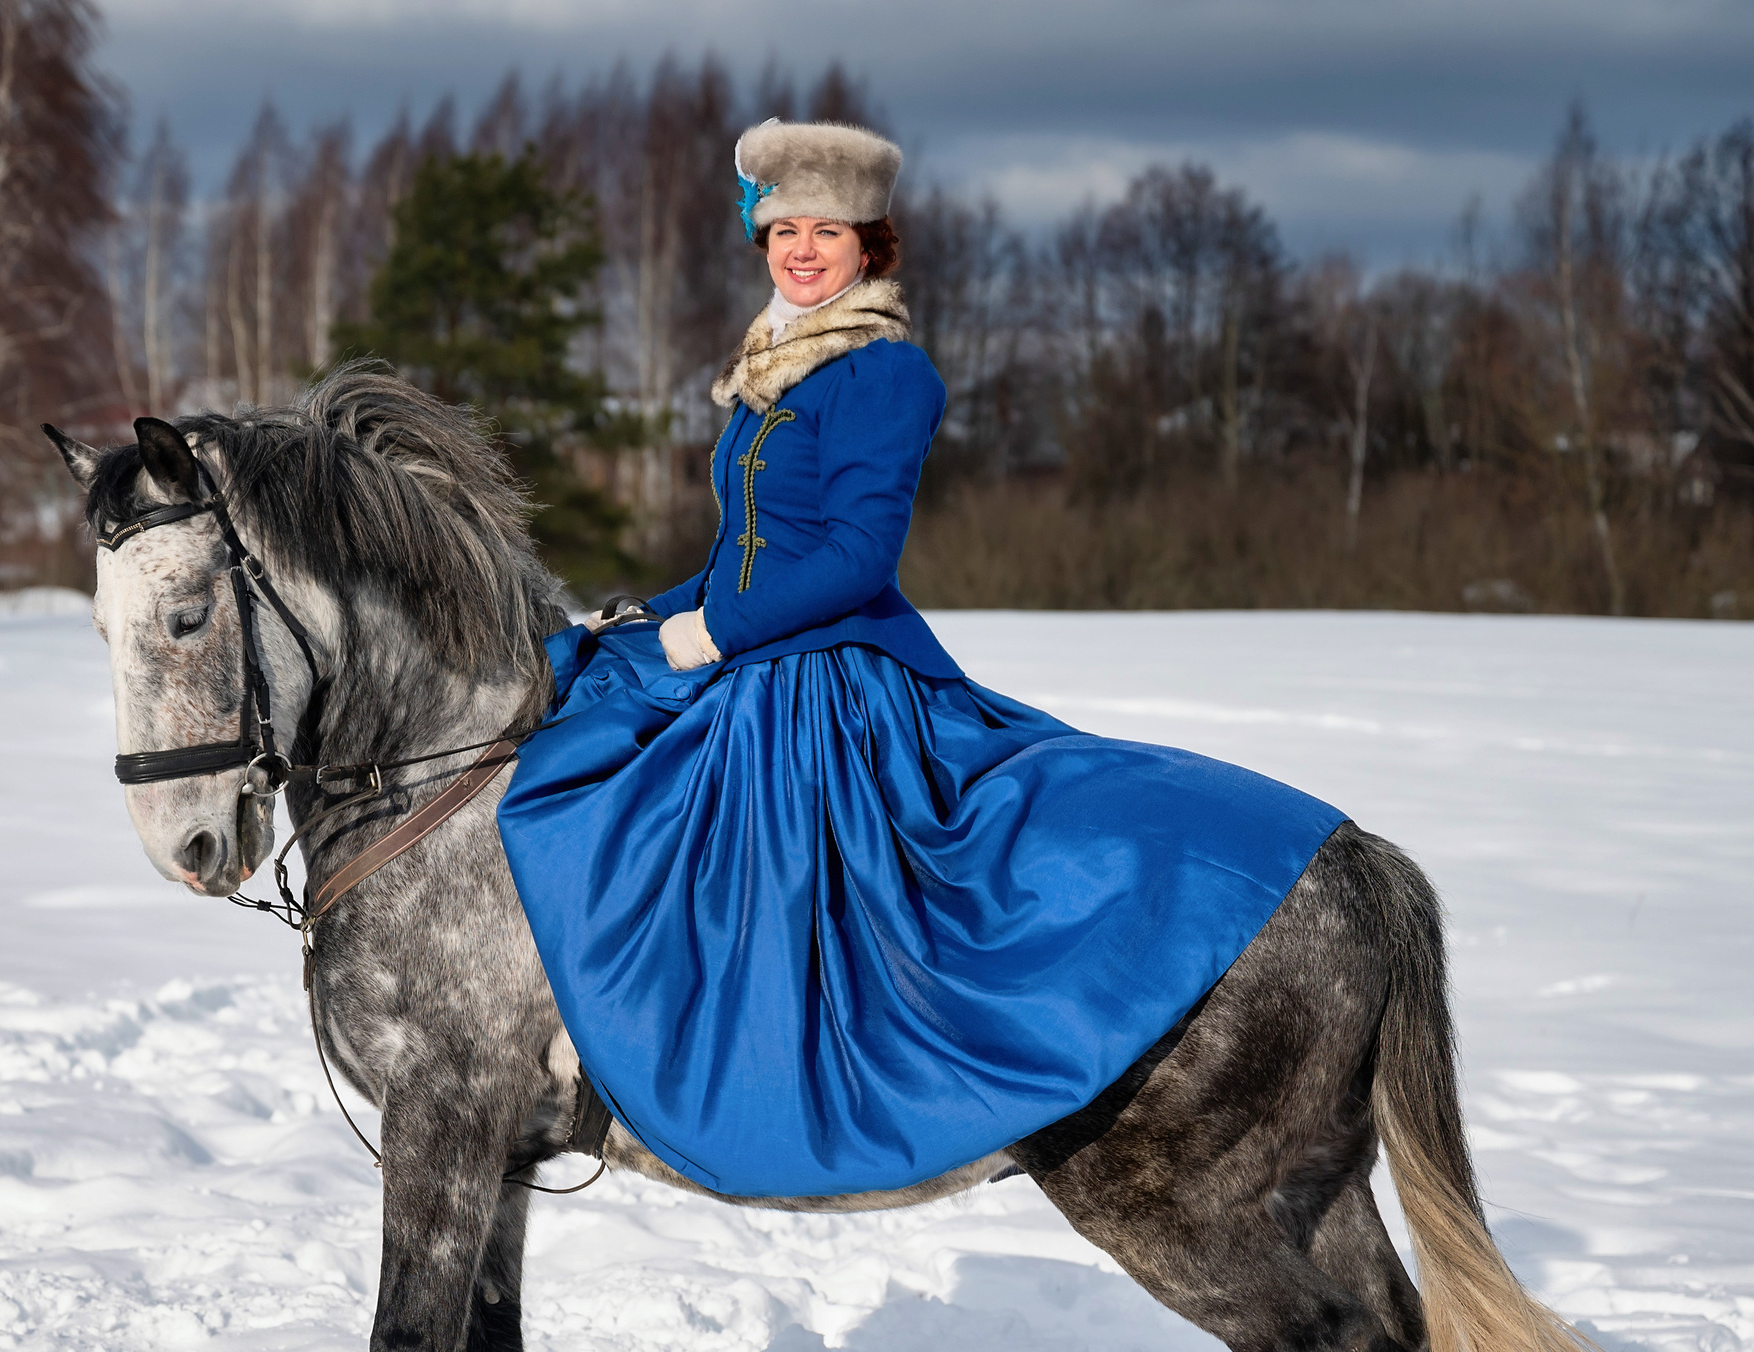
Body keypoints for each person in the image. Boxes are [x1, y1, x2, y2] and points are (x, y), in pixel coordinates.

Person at [497, 119, 1345, 1199]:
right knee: (583, 720)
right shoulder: (773, 365)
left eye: (828, 231)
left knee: (700, 829)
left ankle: (742, 1073)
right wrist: (636, 616)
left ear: (871, 243)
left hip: (821, 674)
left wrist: (710, 633)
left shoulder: (882, 374)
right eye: (785, 230)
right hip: (751, 645)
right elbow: (739, 553)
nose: (804, 250)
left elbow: (857, 557)